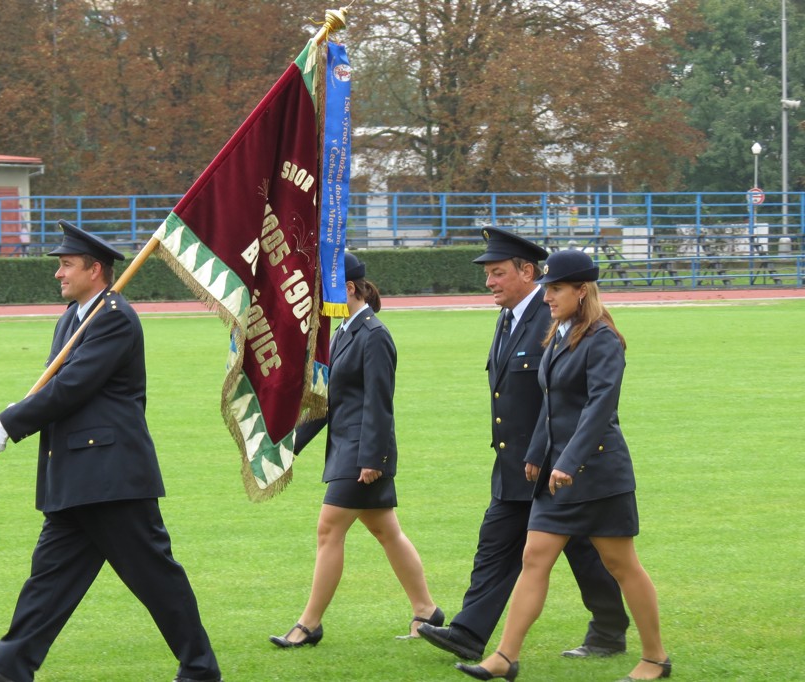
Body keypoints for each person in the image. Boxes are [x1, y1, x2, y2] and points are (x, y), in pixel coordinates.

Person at [0, 221, 222, 682]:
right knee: (49, 580)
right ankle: (7, 671)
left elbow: (73, 387)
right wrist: (17, 412)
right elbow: (58, 387)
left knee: (156, 580)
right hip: (76, 478)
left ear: (94, 269)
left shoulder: (114, 316)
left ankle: (200, 670)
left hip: (111, 476)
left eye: (66, 265)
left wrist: (12, 421)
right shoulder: (72, 318)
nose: (58, 274)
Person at [457, 249, 670, 682]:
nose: (547, 295)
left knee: (622, 565)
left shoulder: (603, 339)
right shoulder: (560, 332)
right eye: (548, 287)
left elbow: (599, 409)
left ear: (581, 290)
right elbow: (551, 405)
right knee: (535, 557)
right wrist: (536, 454)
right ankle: (504, 657)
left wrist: (569, 461)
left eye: (555, 289)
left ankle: (654, 658)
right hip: (557, 475)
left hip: (598, 475)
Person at [419, 228, 628, 663]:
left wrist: (560, 456)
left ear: (527, 271)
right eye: (488, 274)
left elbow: (572, 399)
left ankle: (610, 631)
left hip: (559, 461)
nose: (489, 282)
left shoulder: (556, 319)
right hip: (521, 461)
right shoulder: (510, 316)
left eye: (498, 273)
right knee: (499, 544)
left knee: (584, 549)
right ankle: (469, 632)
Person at [269, 252, 443, 648]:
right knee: (387, 531)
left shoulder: (375, 335)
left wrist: (372, 459)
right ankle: (427, 611)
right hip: (348, 449)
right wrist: (288, 447)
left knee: (329, 529)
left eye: (323, 291)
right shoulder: (344, 332)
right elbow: (328, 401)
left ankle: (309, 623)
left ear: (348, 289)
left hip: (362, 453)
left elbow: (379, 403)